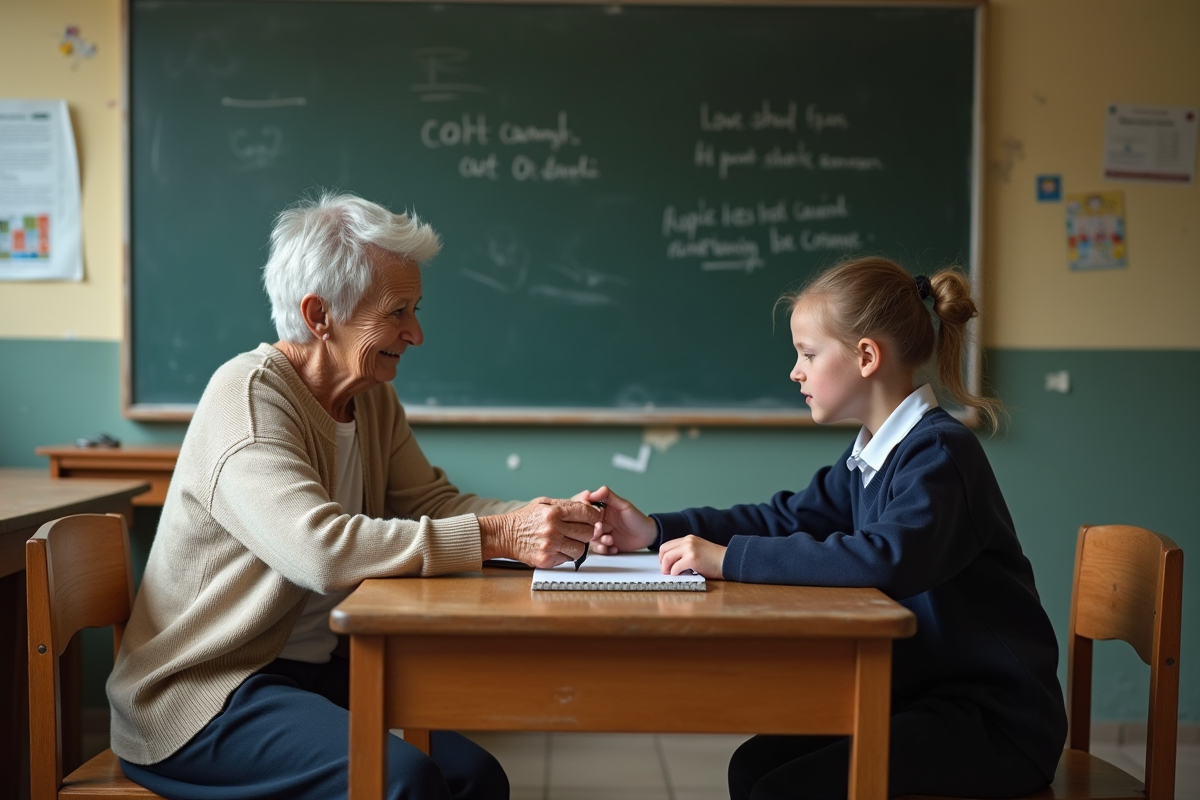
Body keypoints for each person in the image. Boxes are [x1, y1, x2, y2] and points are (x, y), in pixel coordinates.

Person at [107, 191, 603, 800]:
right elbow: (320, 552)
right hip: (206, 693)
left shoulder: (369, 398)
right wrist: (503, 536)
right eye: (397, 312)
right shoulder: (249, 399)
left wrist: (544, 518)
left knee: (475, 779)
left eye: (416, 309)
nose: (416, 333)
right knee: (406, 782)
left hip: (308, 674)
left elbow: (433, 503)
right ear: (320, 316)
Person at [586, 256, 1067, 799]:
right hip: (918, 697)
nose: (796, 371)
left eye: (808, 354)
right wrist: (653, 530)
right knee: (751, 767)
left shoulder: (939, 452)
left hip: (995, 721)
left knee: (784, 789)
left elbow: (888, 556)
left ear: (866, 357)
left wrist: (724, 559)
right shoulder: (870, 455)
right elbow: (784, 518)